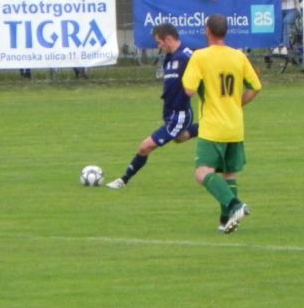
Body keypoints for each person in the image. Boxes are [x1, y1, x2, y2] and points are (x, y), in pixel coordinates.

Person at [182, 13, 262, 234]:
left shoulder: (200, 57)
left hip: (212, 128)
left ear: (207, 31)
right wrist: (237, 103)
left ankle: (236, 205)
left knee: (202, 173)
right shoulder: (238, 56)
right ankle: (226, 221)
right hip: (235, 126)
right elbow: (256, 87)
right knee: (229, 174)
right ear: (226, 32)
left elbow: (189, 90)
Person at [106, 23, 198, 190]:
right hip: (169, 112)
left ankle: (123, 180)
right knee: (180, 137)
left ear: (168, 39)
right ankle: (207, 126)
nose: (158, 46)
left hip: (179, 114)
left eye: (159, 42)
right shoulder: (170, 58)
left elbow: (205, 72)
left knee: (145, 146)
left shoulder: (186, 56)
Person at [18, 0, 68, 78]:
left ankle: (55, 69)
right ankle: (26, 71)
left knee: (54, 40)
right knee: (29, 42)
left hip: (48, 13)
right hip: (32, 14)